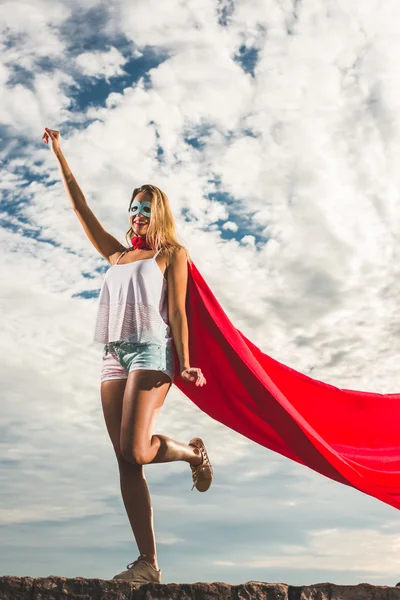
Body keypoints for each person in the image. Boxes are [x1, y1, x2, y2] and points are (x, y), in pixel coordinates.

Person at [42, 127, 213, 585]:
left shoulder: (172, 254)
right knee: (124, 458)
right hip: (113, 355)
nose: (137, 215)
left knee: (137, 449)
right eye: (133, 208)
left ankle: (192, 454)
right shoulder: (116, 256)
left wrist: (188, 359)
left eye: (145, 208)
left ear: (158, 213)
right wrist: (60, 153)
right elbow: (80, 208)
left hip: (152, 352)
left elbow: (177, 310)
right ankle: (148, 563)